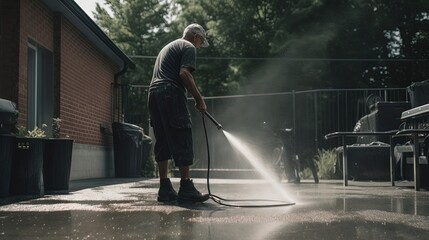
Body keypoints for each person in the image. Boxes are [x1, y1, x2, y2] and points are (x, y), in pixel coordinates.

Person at [148, 23, 210, 203]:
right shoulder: (188, 46)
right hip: (170, 92)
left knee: (163, 139)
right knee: (182, 133)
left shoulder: (167, 47)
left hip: (153, 93)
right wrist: (199, 99)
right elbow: (184, 74)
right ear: (196, 37)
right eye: (201, 42)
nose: (199, 46)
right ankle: (186, 187)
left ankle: (165, 188)